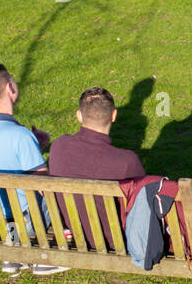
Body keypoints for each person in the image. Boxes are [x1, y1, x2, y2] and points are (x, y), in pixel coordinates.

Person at [0, 63, 67, 276]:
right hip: (22, 223)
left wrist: (35, 146)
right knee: (61, 185)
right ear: (10, 87)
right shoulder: (20, 135)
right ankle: (27, 253)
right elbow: (44, 186)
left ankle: (11, 255)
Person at [49, 87, 145, 252]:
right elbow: (143, 204)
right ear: (114, 116)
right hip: (114, 241)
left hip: (75, 233)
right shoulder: (127, 161)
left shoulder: (58, 145)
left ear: (79, 115)